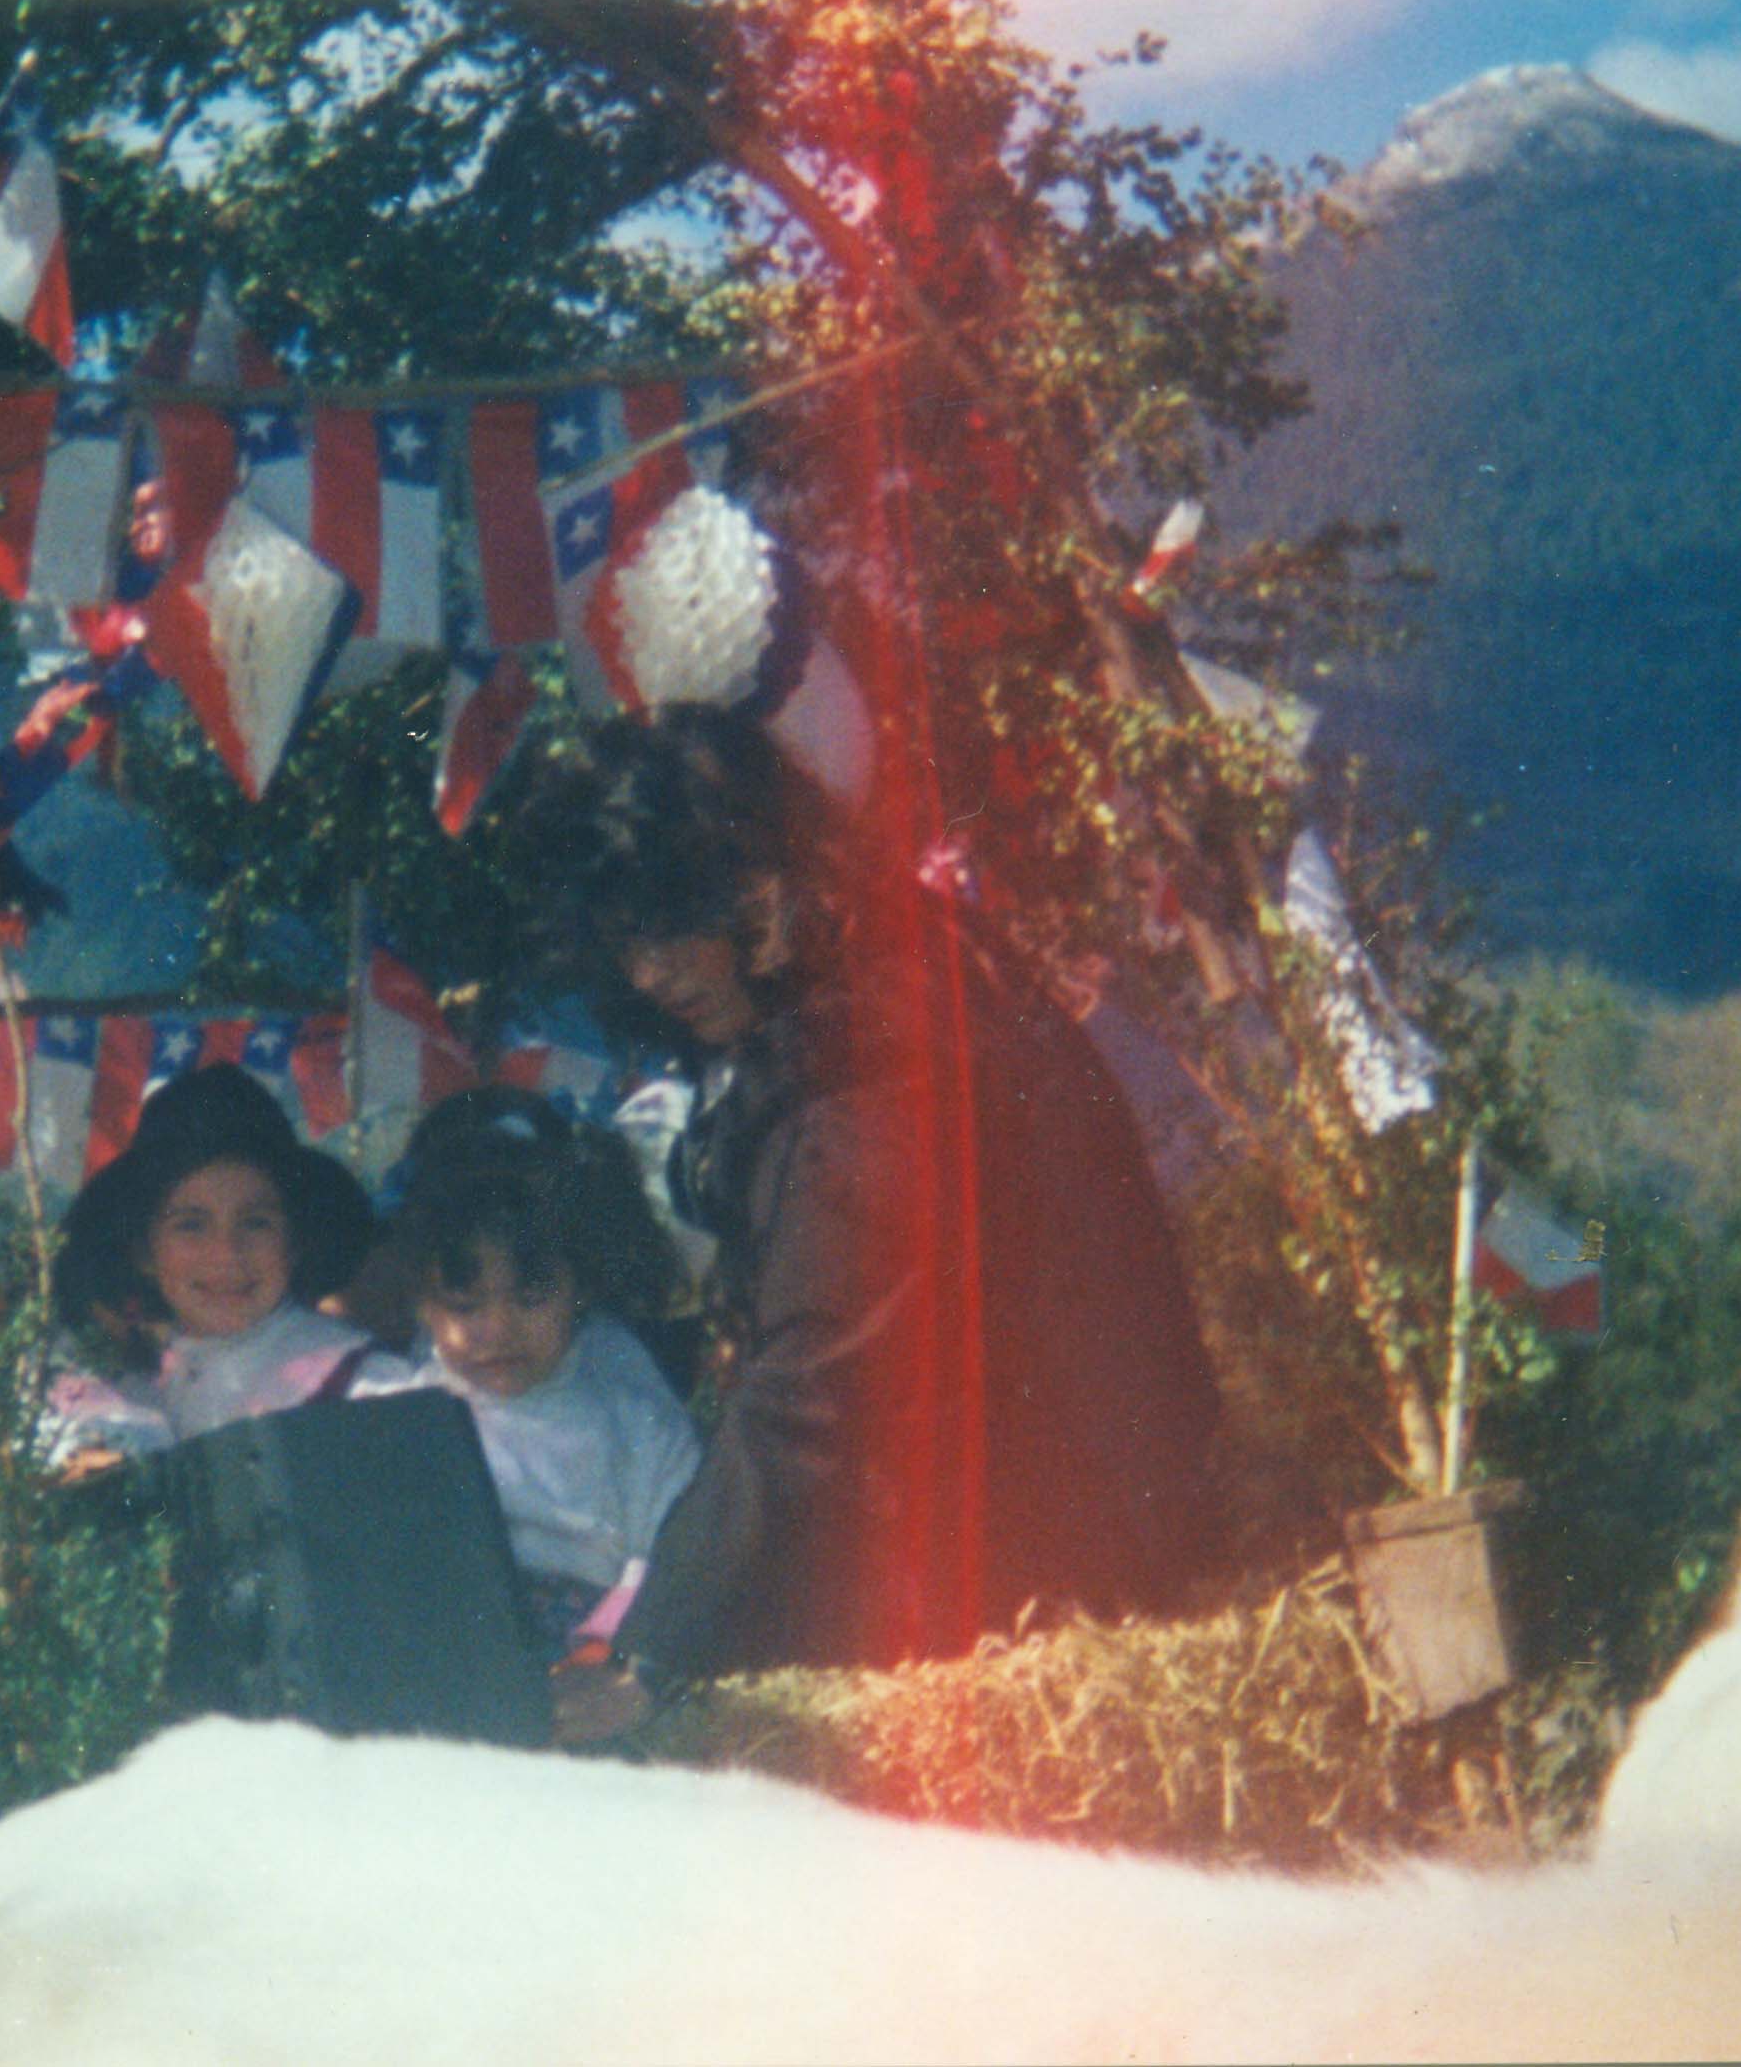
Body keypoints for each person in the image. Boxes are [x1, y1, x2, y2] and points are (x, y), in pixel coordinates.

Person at [517, 706, 1224, 1738]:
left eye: (670, 929)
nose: (647, 976)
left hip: (1053, 1586)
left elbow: (809, 1394)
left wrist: (649, 1657)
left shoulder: (866, 1076)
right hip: (1045, 1543)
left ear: (757, 891)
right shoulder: (901, 987)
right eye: (625, 944)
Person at [350, 1089, 702, 1659]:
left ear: (581, 1288)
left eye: (531, 1297)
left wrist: (605, 1647)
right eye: (465, 1304)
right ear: (422, 1302)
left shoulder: (640, 1430)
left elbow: (665, 1557)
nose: (499, 1329)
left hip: (584, 1670)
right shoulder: (388, 1409)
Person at [43, 1064, 406, 1460]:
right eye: (191, 1225)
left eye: (255, 1223)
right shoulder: (140, 1393)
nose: (226, 1253)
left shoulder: (360, 1388)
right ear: (144, 1252)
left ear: (296, 1240)